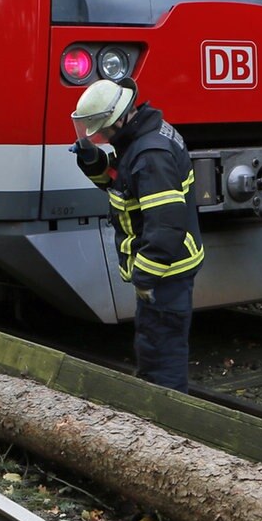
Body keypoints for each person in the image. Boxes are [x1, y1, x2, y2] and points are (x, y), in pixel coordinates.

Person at [69, 78, 204, 393]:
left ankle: (167, 420)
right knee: (153, 343)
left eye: (101, 131)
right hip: (165, 268)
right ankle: (154, 406)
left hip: (167, 271)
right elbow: (122, 182)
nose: (99, 136)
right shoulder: (141, 138)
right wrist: (90, 159)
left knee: (163, 352)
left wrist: (145, 275)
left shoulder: (150, 155)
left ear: (117, 122)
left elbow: (166, 225)